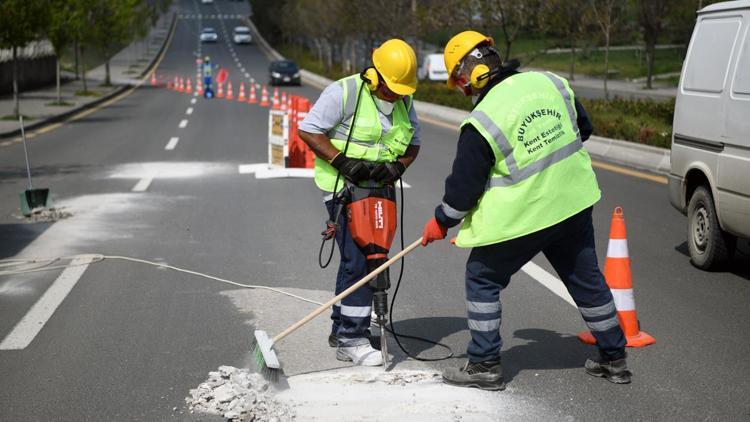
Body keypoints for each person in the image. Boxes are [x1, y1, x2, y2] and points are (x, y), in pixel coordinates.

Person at [421, 30, 630, 390]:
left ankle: (485, 364)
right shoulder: (549, 82)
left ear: (467, 76)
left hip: (529, 215)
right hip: (573, 203)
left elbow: (463, 190)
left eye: (459, 80)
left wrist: (441, 222)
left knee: (482, 278)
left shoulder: (482, 120)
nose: (462, 89)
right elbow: (584, 128)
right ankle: (615, 359)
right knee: (587, 280)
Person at [298, 39, 421, 366]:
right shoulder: (345, 93)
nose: (396, 96)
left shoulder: (405, 102)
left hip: (380, 187)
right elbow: (309, 130)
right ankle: (352, 339)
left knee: (371, 256)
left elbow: (414, 144)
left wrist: (398, 167)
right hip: (342, 186)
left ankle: (342, 327)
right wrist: (342, 162)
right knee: (360, 259)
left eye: (401, 91)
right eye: (391, 89)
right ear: (374, 76)